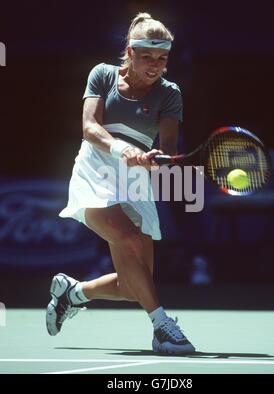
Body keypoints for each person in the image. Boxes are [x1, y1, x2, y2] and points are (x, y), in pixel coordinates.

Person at [46, 12, 196, 355]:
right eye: (147, 56)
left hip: (135, 180)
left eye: (162, 58)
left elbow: (168, 149)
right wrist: (122, 147)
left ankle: (73, 293)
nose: (156, 65)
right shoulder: (102, 75)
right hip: (94, 170)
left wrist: (156, 159)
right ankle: (162, 327)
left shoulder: (170, 93)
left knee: (134, 284)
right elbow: (89, 127)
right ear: (130, 51)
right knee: (127, 239)